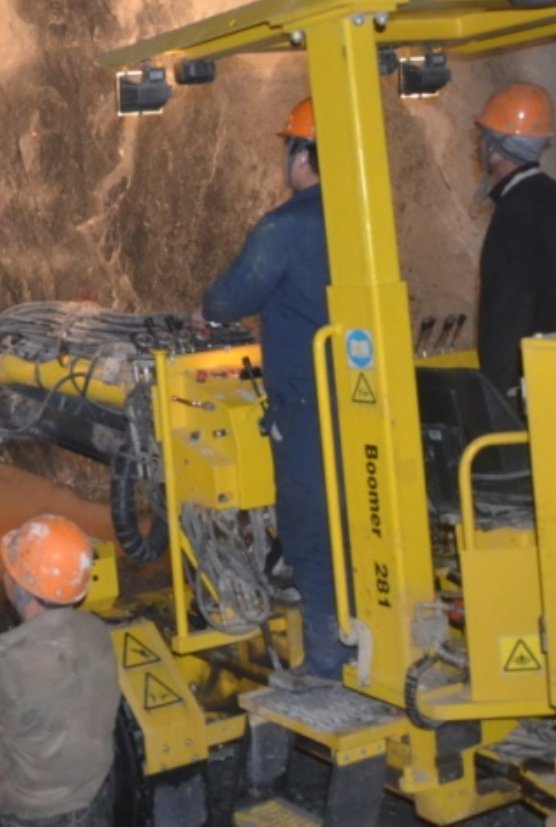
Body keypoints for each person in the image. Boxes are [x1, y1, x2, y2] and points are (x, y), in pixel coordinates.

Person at [191, 97, 344, 679]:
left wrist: (205, 311)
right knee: (357, 518)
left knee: (308, 525)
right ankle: (369, 637)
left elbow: (234, 294)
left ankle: (329, 658)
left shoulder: (286, 226)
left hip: (305, 401)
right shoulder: (362, 217)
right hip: (361, 395)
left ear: (302, 155)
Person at [0, 514, 121, 826]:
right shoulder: (96, 633)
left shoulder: (10, 672)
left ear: (20, 588)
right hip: (92, 803)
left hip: (30, 817)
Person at [473, 82, 556, 409]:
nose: (478, 145)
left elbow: (507, 309)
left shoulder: (515, 211)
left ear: (497, 148)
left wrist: (499, 393)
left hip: (526, 388)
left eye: (483, 137)